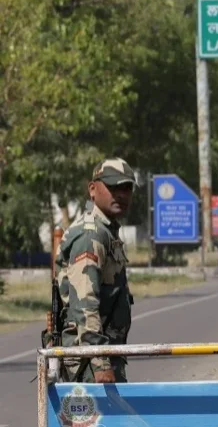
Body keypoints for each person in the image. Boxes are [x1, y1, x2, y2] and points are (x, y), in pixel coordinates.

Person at [56, 158, 138, 383]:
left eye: (127, 188)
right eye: (113, 187)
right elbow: (85, 305)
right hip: (88, 363)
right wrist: (100, 363)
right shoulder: (91, 236)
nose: (121, 194)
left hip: (105, 354)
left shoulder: (108, 232)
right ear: (92, 189)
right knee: (96, 419)